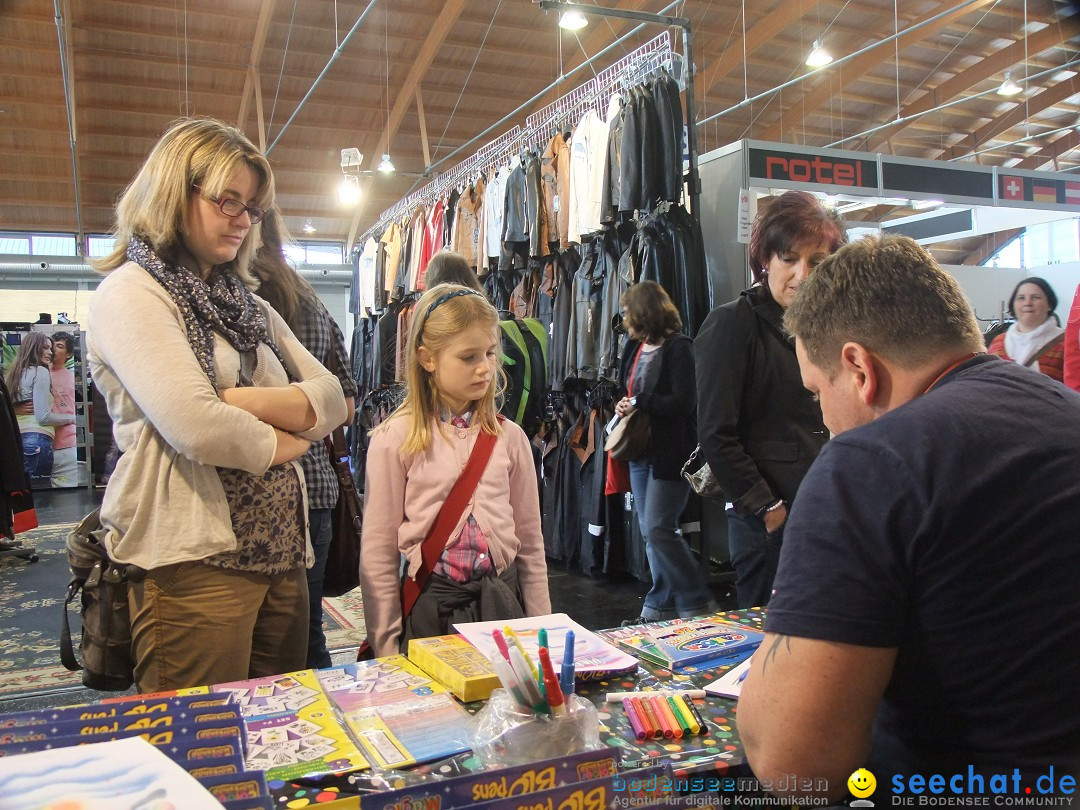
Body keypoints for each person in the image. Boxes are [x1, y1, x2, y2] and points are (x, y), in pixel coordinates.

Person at [737, 235, 1080, 798]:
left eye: (817, 392)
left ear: (858, 368)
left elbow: (793, 762)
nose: (823, 418)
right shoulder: (1064, 411)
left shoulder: (869, 463)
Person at [88, 117, 347, 691]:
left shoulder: (244, 300)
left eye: (251, 208)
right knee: (200, 746)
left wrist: (235, 398)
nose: (242, 219)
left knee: (281, 740)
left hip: (283, 556)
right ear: (173, 192)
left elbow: (332, 397)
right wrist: (294, 436)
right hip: (195, 565)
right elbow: (197, 427)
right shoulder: (132, 293)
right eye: (227, 200)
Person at [360, 283, 551, 657]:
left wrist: (541, 630)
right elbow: (378, 554)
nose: (485, 368)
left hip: (503, 610)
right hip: (432, 613)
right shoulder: (394, 438)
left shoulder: (511, 438)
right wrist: (386, 649)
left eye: (491, 353)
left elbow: (530, 543)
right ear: (427, 359)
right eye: (468, 357)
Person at [694, 191, 846, 609]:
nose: (802, 274)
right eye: (789, 258)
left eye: (817, 262)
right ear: (765, 260)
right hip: (769, 521)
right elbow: (716, 433)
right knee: (768, 637)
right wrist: (768, 509)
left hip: (824, 512)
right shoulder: (733, 323)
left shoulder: (827, 328)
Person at [251, 206, 358, 670]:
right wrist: (309, 418)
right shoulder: (309, 299)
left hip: (252, 488)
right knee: (305, 631)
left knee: (255, 643)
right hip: (314, 487)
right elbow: (348, 403)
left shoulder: (236, 298)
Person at [615, 280, 717, 622]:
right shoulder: (635, 347)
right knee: (651, 531)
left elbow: (684, 403)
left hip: (670, 453)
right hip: (641, 451)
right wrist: (624, 404)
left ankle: (695, 601)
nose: (626, 317)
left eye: (630, 310)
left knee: (659, 528)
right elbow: (626, 387)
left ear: (645, 312)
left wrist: (641, 402)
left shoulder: (679, 349)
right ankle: (661, 606)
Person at [5, 333, 73, 488]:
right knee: (41, 501)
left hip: (15, 442)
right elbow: (43, 417)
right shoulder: (40, 372)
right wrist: (72, 418)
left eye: (51, 348)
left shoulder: (13, 374)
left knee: (23, 499)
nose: (50, 352)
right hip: (37, 441)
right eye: (45, 348)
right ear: (33, 348)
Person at [986, 276, 1064, 381]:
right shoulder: (999, 342)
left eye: (1036, 297)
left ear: (1049, 304)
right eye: (1021, 298)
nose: (1027, 303)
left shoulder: (1066, 343)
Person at [48, 332, 78, 487]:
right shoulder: (36, 374)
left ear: (69, 354)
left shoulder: (71, 377)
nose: (53, 349)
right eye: (51, 344)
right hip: (42, 443)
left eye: (59, 346)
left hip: (66, 444)